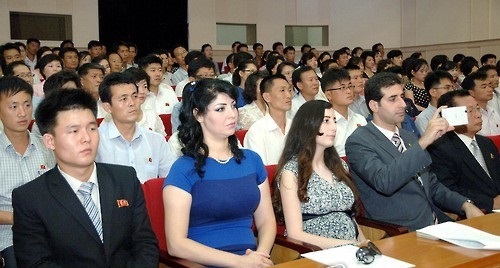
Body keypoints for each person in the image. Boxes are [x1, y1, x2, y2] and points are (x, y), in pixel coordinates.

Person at [12, 89, 159, 267]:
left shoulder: (125, 179)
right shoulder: (30, 198)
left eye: (92, 128)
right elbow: (36, 263)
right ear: (50, 141)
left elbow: (145, 244)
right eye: (74, 131)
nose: (86, 138)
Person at [345, 72, 484, 231]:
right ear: (374, 106)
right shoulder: (359, 141)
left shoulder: (407, 137)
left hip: (435, 222)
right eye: (393, 99)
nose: (403, 104)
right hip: (399, 230)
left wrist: (465, 204)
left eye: (402, 96)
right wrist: (424, 140)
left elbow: (431, 184)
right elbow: (385, 182)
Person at [163, 78, 275, 267]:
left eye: (233, 106)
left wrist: (260, 257)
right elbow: (176, 244)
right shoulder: (183, 169)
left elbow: (266, 221)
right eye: (220, 109)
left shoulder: (252, 160)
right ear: (198, 114)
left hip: (252, 259)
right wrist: (239, 262)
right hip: (204, 263)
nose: (232, 114)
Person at [273, 100, 366, 249]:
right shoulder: (291, 172)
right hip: (315, 252)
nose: (334, 127)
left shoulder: (339, 166)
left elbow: (349, 216)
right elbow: (295, 233)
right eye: (326, 121)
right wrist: (347, 246)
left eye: (334, 121)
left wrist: (363, 244)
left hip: (351, 249)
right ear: (308, 125)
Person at [0, 76, 55, 268]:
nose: (22, 113)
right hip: (11, 236)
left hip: (53, 230)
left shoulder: (48, 147)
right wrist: (21, 218)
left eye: (26, 104)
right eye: (13, 107)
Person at [428, 89, 500, 212]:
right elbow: (447, 190)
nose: (478, 114)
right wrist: (490, 203)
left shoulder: (485, 143)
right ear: (449, 116)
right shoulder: (440, 148)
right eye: (469, 111)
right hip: (475, 212)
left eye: (477, 109)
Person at [96, 72, 175, 183]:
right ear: (107, 107)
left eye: (134, 96)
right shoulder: (96, 141)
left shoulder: (156, 140)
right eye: (124, 99)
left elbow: (171, 181)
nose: (132, 103)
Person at [245, 74, 292, 165]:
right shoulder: (256, 132)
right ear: (267, 97)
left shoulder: (296, 126)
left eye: (289, 90)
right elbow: (260, 170)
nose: (288, 95)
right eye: (282, 90)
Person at [321, 68, 366, 157]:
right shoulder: (322, 124)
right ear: (328, 94)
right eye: (342, 88)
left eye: (350, 86)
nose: (349, 91)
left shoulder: (360, 119)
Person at [462, 71, 500, 135]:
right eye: (484, 87)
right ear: (471, 92)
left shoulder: (493, 112)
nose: (490, 90)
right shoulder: (467, 115)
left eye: (490, 86)